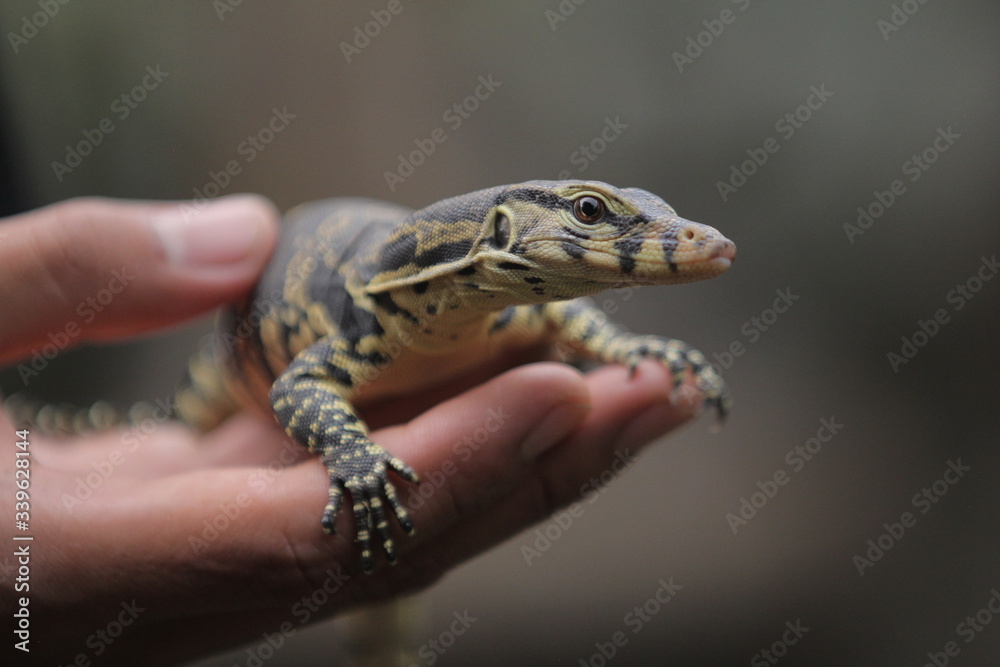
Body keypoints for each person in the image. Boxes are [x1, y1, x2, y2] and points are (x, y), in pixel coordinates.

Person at [0, 195, 701, 665]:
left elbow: (557, 312)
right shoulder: (373, 321)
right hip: (231, 369)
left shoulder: (508, 310)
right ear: (500, 230)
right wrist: (352, 453)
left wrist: (618, 347)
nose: (675, 238)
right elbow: (296, 387)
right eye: (591, 213)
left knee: (392, 586)